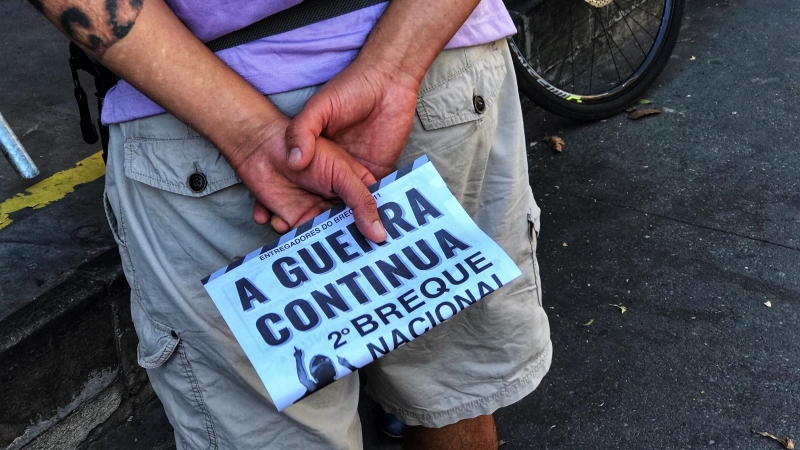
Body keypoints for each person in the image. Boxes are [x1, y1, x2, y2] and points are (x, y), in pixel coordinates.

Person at [30, 0, 552, 448]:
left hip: (193, 109)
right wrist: (394, 69)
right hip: (436, 62)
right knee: (449, 385)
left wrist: (250, 135)